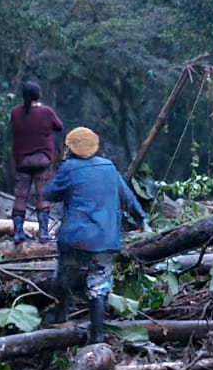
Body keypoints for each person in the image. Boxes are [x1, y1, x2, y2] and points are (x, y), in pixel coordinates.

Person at [43, 126, 148, 343]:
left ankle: (61, 317)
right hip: (106, 239)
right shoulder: (109, 167)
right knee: (99, 286)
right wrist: (142, 220)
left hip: (75, 239)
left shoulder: (69, 168)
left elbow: (49, 194)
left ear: (70, 149)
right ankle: (97, 336)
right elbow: (127, 197)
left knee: (63, 275)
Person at [9, 81, 63, 244]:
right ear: (38, 95)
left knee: (20, 196)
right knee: (42, 195)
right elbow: (59, 127)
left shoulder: (15, 112)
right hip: (42, 160)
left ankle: (18, 233)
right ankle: (44, 233)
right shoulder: (46, 112)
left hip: (22, 161)